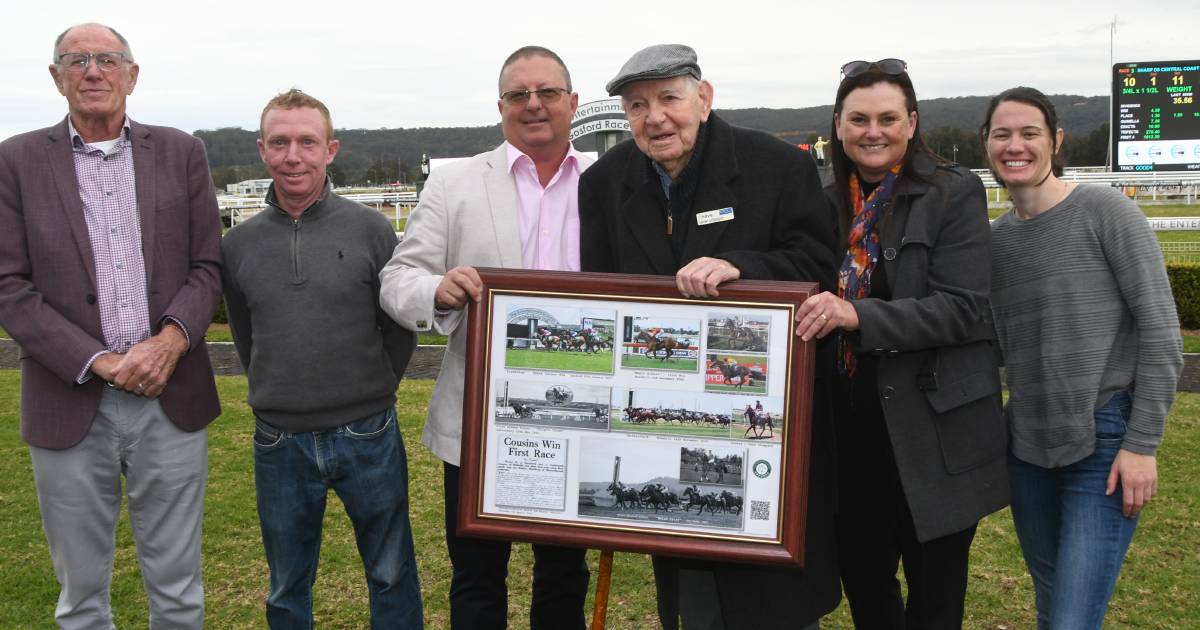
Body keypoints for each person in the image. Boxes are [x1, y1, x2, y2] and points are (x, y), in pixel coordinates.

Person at [579, 43, 840, 630]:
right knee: (691, 587)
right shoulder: (603, 183)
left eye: (669, 98)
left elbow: (820, 266)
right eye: (637, 105)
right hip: (667, 420)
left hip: (768, 422)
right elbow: (598, 293)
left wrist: (742, 268)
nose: (655, 118)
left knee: (776, 600)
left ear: (704, 98)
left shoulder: (778, 166)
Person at [0, 23, 222, 628]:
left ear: (131, 74)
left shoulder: (181, 152)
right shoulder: (15, 160)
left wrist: (169, 341)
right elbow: (9, 287)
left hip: (169, 395)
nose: (92, 71)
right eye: (76, 60)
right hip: (68, 400)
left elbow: (208, 267)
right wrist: (98, 360)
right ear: (56, 78)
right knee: (80, 600)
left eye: (106, 59)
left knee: (178, 593)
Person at [378, 46, 593, 630]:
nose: (533, 105)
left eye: (547, 92)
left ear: (572, 103)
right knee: (476, 576)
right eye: (518, 94)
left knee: (564, 576)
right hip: (481, 420)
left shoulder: (608, 183)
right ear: (500, 106)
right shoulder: (455, 185)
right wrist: (437, 292)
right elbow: (397, 280)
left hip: (581, 418)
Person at [794, 58, 1008, 628]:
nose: (873, 131)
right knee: (868, 593)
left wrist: (855, 316)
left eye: (888, 118)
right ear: (837, 125)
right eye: (858, 118)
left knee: (936, 602)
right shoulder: (818, 201)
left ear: (912, 123)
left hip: (933, 435)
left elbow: (962, 310)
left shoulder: (952, 192)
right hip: (846, 436)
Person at [982, 86, 1183, 629]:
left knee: (1072, 618)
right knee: (1054, 607)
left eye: (1030, 133)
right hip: (1027, 447)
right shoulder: (996, 244)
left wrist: (1142, 445)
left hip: (1105, 443)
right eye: (1002, 134)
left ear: (1056, 140)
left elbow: (1163, 334)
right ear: (987, 145)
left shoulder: (1106, 211)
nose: (1015, 145)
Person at [221, 89, 421, 628]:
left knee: (390, 571)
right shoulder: (237, 245)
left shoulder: (371, 230)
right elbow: (245, 333)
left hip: (368, 432)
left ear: (330, 149)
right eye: (280, 143)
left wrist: (374, 385)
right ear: (263, 150)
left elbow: (398, 326)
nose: (294, 156)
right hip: (278, 440)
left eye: (307, 142)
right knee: (287, 582)